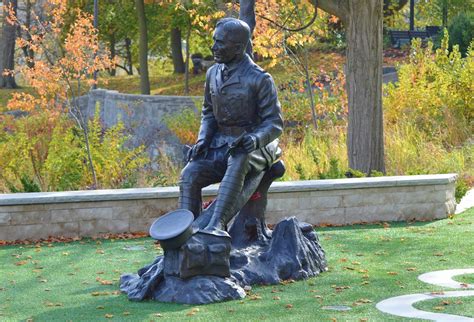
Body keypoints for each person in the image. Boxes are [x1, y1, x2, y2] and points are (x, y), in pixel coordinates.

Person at [179, 17, 283, 232]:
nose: (213, 47)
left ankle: (215, 225)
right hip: (220, 143)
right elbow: (208, 113)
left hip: (255, 146)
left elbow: (274, 123)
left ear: (237, 48)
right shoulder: (212, 73)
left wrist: (254, 139)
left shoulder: (260, 78)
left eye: (220, 42)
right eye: (214, 41)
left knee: (239, 158)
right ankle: (183, 229)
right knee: (190, 173)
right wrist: (202, 141)